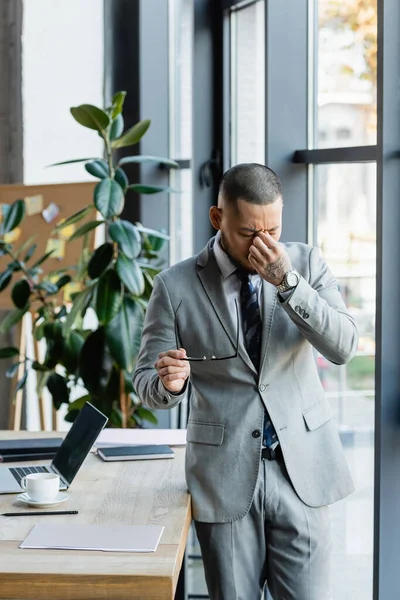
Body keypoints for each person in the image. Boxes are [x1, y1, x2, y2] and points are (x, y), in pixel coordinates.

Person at [133, 163, 358, 600]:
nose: (264, 244)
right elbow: (146, 381)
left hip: (303, 472)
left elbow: (344, 346)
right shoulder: (174, 286)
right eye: (249, 233)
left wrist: (289, 284)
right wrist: (170, 383)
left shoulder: (306, 263)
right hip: (225, 477)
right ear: (218, 219)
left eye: (272, 230)